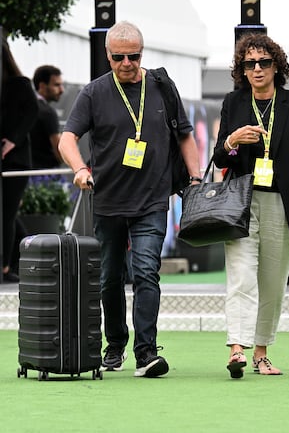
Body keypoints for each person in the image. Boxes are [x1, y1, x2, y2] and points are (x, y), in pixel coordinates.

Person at [58, 21, 201, 377]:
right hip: (107, 199)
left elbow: (185, 136)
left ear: (142, 53)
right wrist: (79, 169)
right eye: (119, 56)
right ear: (108, 56)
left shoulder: (162, 87)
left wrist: (195, 178)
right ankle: (116, 345)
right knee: (109, 277)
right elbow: (66, 139)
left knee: (146, 272)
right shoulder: (93, 93)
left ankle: (146, 352)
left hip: (153, 198)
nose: (127, 63)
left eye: (134, 56)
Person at [213, 33, 289, 379]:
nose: (258, 69)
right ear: (242, 71)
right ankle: (237, 347)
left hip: (283, 201)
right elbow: (219, 155)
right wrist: (234, 140)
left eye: (264, 62)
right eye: (250, 64)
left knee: (272, 281)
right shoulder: (234, 103)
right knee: (241, 274)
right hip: (241, 200)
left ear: (277, 66)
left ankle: (261, 353)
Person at [1, 39, 39, 282]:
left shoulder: (20, 85)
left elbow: (32, 113)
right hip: (13, 160)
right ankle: (13, 263)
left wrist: (13, 140)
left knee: (7, 214)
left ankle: (5, 266)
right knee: (8, 215)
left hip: (15, 163)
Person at [31, 65, 64, 168]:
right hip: (46, 174)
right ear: (42, 86)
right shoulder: (48, 113)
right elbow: (60, 153)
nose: (61, 90)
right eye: (56, 85)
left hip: (25, 173)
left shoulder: (25, 107)